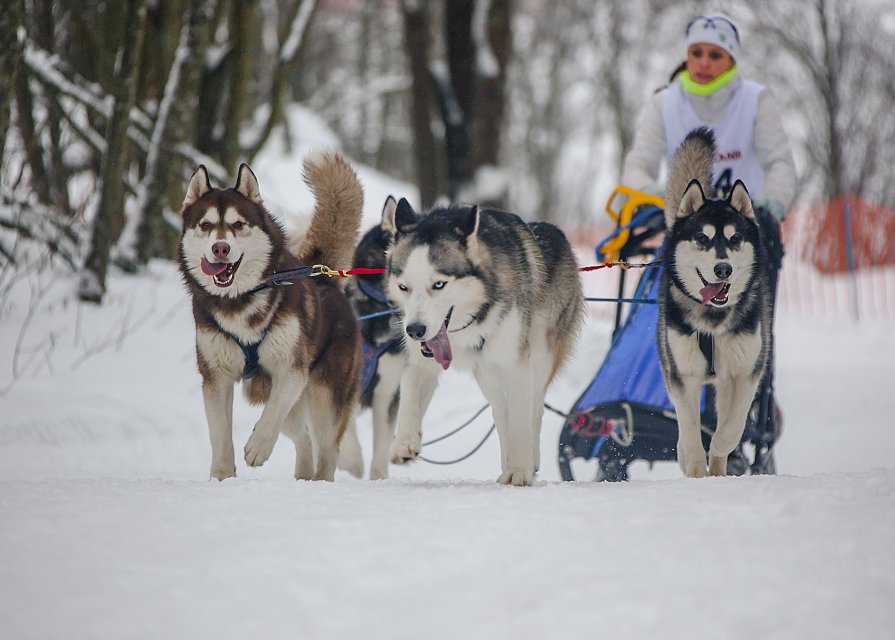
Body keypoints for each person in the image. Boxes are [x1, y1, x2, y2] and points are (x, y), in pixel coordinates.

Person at [621, 13, 796, 221]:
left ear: (732, 61)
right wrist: (649, 193)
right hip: (685, 224)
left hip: (747, 224)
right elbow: (638, 164)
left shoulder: (756, 100)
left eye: (715, 55)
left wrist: (772, 203)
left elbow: (780, 163)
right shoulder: (664, 102)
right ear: (687, 57)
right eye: (696, 53)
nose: (704, 63)